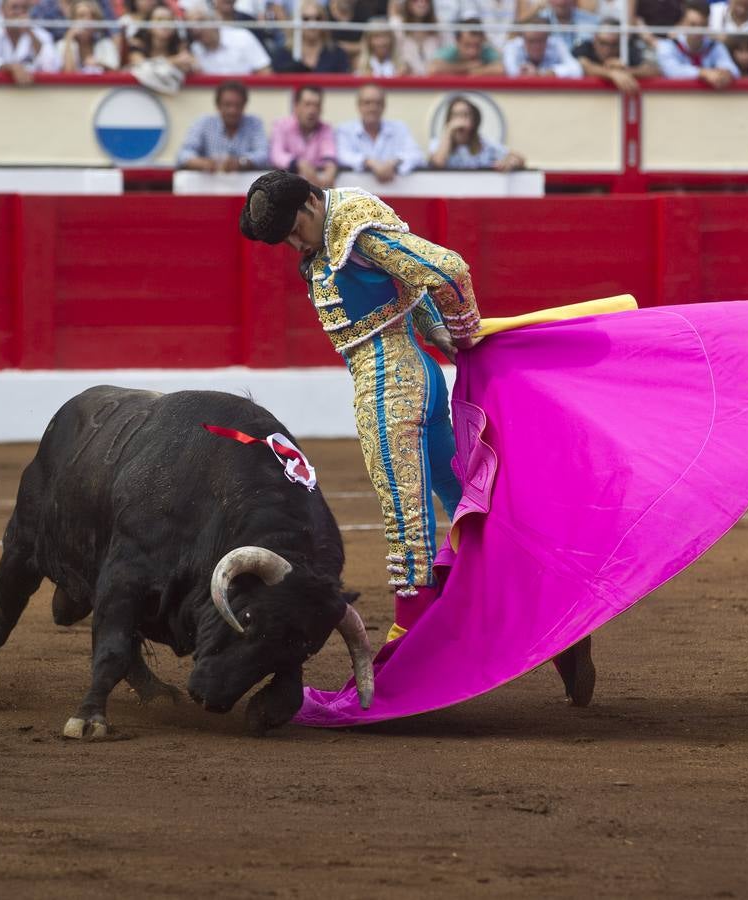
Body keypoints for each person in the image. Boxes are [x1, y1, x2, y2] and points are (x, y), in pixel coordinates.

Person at [236, 170, 597, 706]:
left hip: (387, 388)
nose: (295, 243)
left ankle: (407, 655)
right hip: (418, 376)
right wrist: (436, 333)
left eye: (296, 229)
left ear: (312, 200)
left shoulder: (352, 228)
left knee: (407, 525)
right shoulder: (347, 223)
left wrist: (466, 328)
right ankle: (553, 625)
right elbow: (410, 283)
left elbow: (446, 269)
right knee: (468, 507)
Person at [334, 82, 425, 183]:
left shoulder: (399, 128)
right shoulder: (344, 130)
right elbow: (341, 156)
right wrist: (370, 162)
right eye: (367, 103)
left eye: (378, 103)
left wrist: (394, 162)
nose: (373, 108)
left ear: (384, 106)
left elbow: (418, 155)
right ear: (358, 106)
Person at [177, 79, 270, 172]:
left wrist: (240, 162)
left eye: (238, 105)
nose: (233, 110)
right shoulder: (204, 123)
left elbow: (264, 155)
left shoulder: (254, 123)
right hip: (208, 183)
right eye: (227, 105)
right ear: (218, 105)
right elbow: (183, 154)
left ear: (244, 105)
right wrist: (203, 163)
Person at [427, 94, 525, 171]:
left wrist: (510, 162)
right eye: (455, 115)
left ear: (474, 121)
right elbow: (438, 163)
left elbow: (519, 159)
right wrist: (448, 131)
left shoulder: (485, 145)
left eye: (465, 115)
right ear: (448, 120)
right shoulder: (438, 143)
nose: (460, 120)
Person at [0, 0, 60, 81]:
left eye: (24, 8)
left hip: (34, 94)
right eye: (14, 7)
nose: (19, 12)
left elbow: (51, 67)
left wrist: (30, 32)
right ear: (2, 11)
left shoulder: (41, 34)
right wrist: (10, 68)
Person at [655, 0, 740, 87]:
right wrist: (703, 73)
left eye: (703, 25)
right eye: (692, 25)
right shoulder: (667, 45)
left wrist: (726, 74)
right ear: (683, 24)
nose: (698, 31)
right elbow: (672, 71)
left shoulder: (715, 46)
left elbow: (733, 69)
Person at [269, 84, 339, 188]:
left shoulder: (325, 129)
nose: (312, 110)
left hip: (317, 189)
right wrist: (298, 163)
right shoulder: (281, 126)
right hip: (285, 190)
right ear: (296, 107)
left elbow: (329, 155)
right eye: (307, 104)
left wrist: (330, 171)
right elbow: (276, 155)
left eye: (316, 105)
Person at [572, 17, 660, 90]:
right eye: (603, 43)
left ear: (621, 42)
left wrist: (624, 70)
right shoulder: (585, 47)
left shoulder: (627, 49)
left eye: (613, 44)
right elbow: (585, 67)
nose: (607, 49)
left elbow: (653, 70)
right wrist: (612, 73)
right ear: (595, 39)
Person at [185, 4, 271, 73]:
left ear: (215, 20)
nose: (196, 29)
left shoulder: (242, 37)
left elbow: (265, 72)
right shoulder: (194, 51)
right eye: (191, 25)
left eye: (201, 21)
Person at [271, 0, 352, 72]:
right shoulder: (283, 55)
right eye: (306, 19)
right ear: (296, 21)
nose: (312, 24)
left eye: (318, 18)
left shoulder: (338, 54)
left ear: (324, 21)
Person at [123, 1, 194, 69]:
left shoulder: (181, 45)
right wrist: (174, 61)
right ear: (149, 26)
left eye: (169, 20)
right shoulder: (138, 44)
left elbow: (190, 64)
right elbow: (141, 65)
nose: (165, 24)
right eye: (159, 20)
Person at [55, 0, 120, 70]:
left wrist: (99, 64)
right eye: (81, 16)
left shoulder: (106, 44)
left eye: (92, 16)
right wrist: (69, 37)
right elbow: (68, 73)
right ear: (73, 20)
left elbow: (115, 73)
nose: (88, 20)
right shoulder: (62, 45)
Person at [428, 16, 503, 73]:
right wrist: (466, 67)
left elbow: (501, 69)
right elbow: (433, 69)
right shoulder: (450, 51)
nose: (472, 51)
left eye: (477, 46)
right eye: (467, 45)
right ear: (457, 42)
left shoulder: (487, 51)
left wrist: (476, 71)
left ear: (483, 41)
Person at [502, 25, 583, 76]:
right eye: (531, 41)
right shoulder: (512, 46)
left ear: (547, 39)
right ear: (523, 40)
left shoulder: (556, 44)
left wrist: (544, 73)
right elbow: (511, 72)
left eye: (540, 41)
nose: (536, 46)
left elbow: (576, 70)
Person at [392, 0, 446, 74]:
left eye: (426, 0)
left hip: (435, 81)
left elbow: (450, 56)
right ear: (407, 3)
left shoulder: (440, 26)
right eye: (415, 0)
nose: (421, 3)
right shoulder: (397, 26)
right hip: (406, 81)